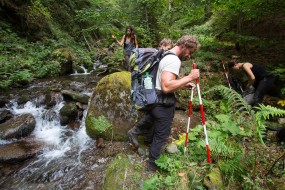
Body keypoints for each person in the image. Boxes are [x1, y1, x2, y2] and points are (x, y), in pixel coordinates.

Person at [128, 35, 200, 171]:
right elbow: (166, 86)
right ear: (185, 45)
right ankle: (151, 165)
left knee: (153, 119)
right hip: (162, 102)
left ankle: (135, 132)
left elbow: (162, 80)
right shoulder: (173, 60)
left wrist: (183, 83)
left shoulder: (165, 54)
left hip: (154, 98)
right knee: (161, 134)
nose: (189, 55)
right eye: (190, 51)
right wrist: (190, 77)